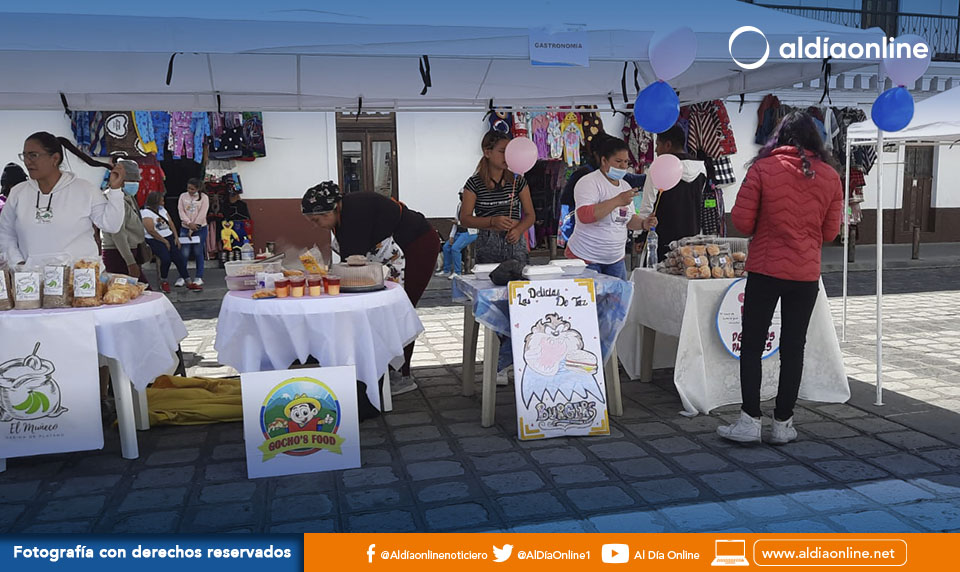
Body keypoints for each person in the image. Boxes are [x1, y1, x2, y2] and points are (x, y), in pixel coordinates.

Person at [717, 111, 843, 445]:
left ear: (779, 137)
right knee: (793, 347)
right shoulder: (831, 177)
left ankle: (749, 421)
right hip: (804, 273)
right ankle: (783, 423)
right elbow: (831, 232)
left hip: (765, 269)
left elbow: (743, 222)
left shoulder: (762, 169)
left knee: (752, 344)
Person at [302, 182, 441, 397]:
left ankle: (401, 375)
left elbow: (351, 266)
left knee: (400, 307)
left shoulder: (354, 214)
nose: (315, 225)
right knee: (382, 309)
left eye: (317, 220)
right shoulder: (344, 214)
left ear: (332, 210)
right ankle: (381, 368)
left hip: (417, 245)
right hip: (393, 253)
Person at [0, 132, 125, 265]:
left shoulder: (85, 189)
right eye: (24, 155)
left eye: (33, 155)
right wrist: (18, 263)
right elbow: (5, 233)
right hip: (31, 276)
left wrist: (115, 190)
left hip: (78, 275)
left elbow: (111, 225)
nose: (27, 161)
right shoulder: (18, 193)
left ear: (55, 158)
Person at [565, 137, 657, 279]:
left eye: (626, 162)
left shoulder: (625, 186)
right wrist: (617, 200)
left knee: (619, 293)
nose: (623, 166)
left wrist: (644, 223)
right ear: (604, 161)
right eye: (618, 161)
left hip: (616, 260)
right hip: (586, 258)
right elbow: (584, 215)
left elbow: (629, 219)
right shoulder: (588, 182)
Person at [459, 130, 536, 266]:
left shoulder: (518, 181)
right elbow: (465, 219)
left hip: (515, 241)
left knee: (518, 278)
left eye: (509, 152)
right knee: (488, 278)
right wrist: (492, 221)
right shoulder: (474, 183)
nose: (507, 156)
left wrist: (519, 230)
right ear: (487, 153)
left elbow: (530, 215)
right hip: (487, 244)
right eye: (502, 152)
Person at [636, 125, 708, 260]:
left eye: (658, 145)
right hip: (692, 238)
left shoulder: (658, 167)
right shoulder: (701, 168)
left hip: (662, 241)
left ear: (668, 145)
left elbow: (648, 205)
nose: (656, 150)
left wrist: (640, 235)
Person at [102, 166, 149, 284]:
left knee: (135, 289)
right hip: (118, 253)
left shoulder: (128, 197)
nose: (135, 184)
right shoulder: (113, 199)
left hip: (129, 251)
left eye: (137, 181)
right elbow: (118, 233)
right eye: (132, 180)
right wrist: (130, 262)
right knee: (130, 288)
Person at [142, 191, 192, 293]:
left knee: (179, 258)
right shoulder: (145, 212)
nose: (163, 203)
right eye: (161, 201)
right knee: (166, 259)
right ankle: (163, 280)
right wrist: (164, 241)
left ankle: (188, 280)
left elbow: (171, 223)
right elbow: (150, 230)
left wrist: (176, 237)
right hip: (155, 239)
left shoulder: (162, 210)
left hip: (168, 236)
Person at [437, 192, 478, 278]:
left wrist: (458, 223)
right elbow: (455, 222)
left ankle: (457, 272)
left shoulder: (474, 206)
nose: (461, 197)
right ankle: (446, 270)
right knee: (446, 247)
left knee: (455, 248)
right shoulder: (460, 205)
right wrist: (451, 236)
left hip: (469, 232)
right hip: (459, 232)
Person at [178, 178, 209, 289]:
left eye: (192, 189)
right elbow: (181, 211)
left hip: (200, 228)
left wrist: (194, 226)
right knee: (184, 253)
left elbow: (202, 213)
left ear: (198, 188)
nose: (190, 191)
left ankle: (199, 277)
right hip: (185, 227)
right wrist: (188, 223)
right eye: (188, 188)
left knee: (198, 251)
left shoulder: (204, 198)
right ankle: (183, 276)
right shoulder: (183, 196)